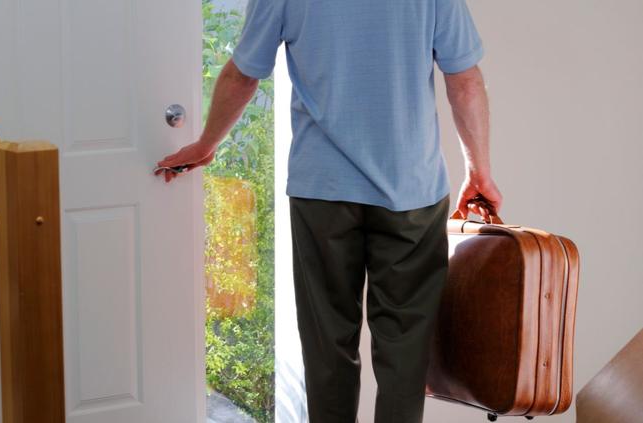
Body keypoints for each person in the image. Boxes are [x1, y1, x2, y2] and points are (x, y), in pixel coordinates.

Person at [155, 0, 502, 421]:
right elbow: (464, 80)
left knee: (327, 351)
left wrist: (206, 143)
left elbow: (243, 75)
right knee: (405, 355)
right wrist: (479, 171)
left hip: (323, 193)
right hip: (411, 194)